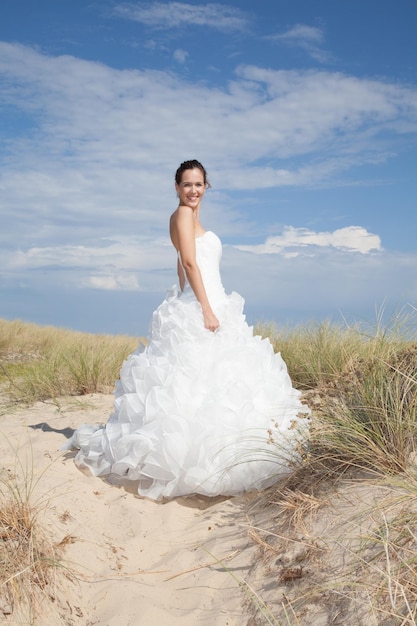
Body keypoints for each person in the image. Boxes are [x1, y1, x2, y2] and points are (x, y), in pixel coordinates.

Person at [64, 160, 309, 501]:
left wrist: (188, 295)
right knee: (195, 382)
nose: (193, 190)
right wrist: (203, 307)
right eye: (187, 185)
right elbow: (190, 262)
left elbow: (181, 261)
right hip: (203, 305)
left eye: (198, 184)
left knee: (220, 381)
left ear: (207, 186)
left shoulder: (190, 219)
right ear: (177, 188)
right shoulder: (180, 215)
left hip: (209, 299)